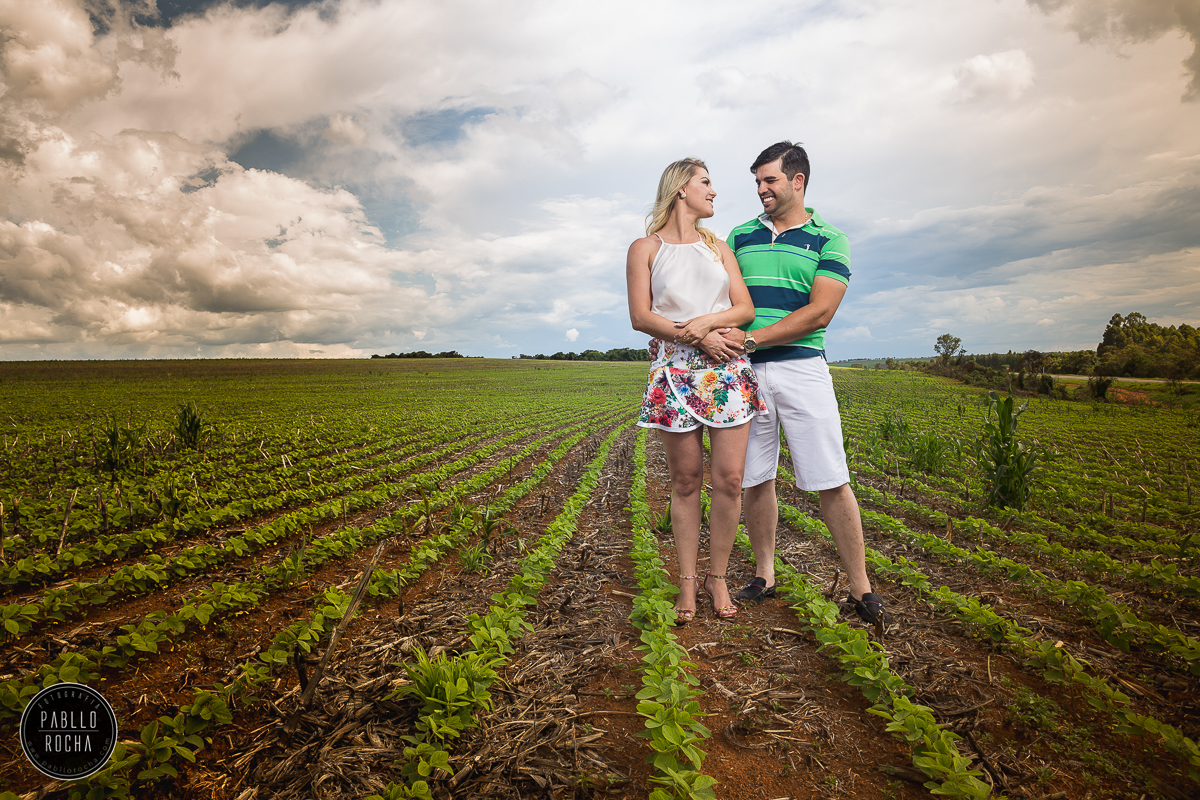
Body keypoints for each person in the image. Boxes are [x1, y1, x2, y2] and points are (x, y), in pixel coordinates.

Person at [718, 141, 886, 624]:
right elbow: (718, 293)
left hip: (801, 367)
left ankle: (861, 588)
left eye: (769, 180)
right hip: (744, 373)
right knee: (755, 477)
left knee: (831, 477)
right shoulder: (740, 235)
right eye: (757, 182)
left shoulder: (830, 238)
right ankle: (764, 575)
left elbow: (821, 310)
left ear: (798, 181)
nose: (761, 190)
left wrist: (752, 340)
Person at [626, 158, 766, 623]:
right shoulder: (645, 248)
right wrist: (696, 336)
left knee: (728, 480)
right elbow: (642, 318)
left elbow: (744, 309)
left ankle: (717, 577)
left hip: (726, 371)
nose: (714, 192)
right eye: (706, 183)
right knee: (685, 481)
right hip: (675, 372)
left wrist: (709, 325)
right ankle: (687, 581)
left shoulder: (718, 247)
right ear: (681, 188)